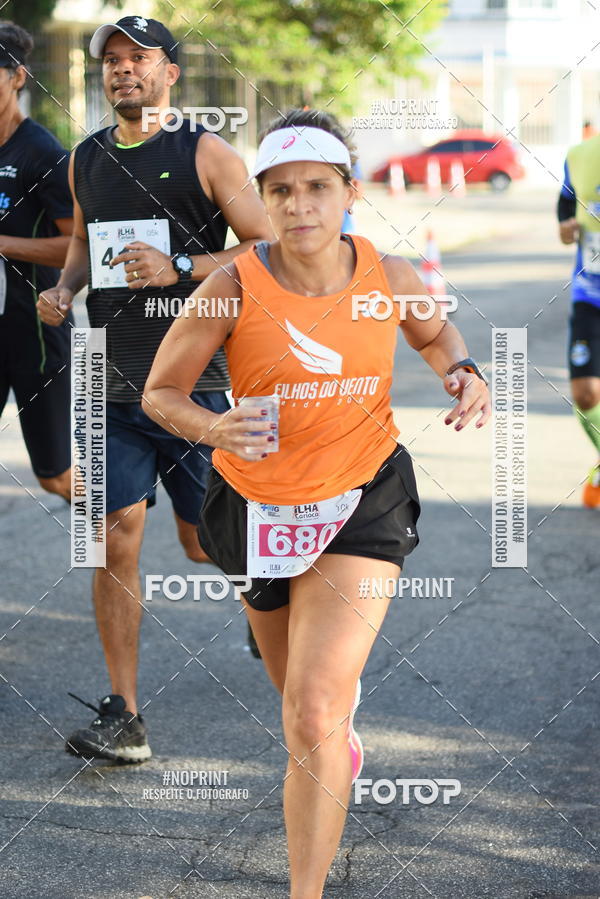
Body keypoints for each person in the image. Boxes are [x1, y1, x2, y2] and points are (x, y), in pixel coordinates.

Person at [144, 108, 491, 897]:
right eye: (282, 190)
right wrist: (217, 427)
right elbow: (161, 393)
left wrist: (464, 368)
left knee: (310, 714)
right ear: (264, 199)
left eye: (317, 188)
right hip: (254, 508)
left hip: (362, 498)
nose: (300, 205)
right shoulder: (230, 286)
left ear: (349, 194)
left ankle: (306, 889)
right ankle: (337, 737)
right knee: (302, 705)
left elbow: (435, 334)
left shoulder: (390, 276)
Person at [36, 16, 273, 762]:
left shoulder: (206, 152)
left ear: (170, 70)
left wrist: (182, 266)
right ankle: (124, 714)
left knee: (206, 544)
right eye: (111, 59)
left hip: (195, 385)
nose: (123, 70)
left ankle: (263, 589)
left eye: (139, 58)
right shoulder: (87, 157)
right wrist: (67, 285)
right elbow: (81, 238)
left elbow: (265, 248)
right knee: (113, 535)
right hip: (110, 383)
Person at [0, 21, 73, 500]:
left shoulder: (42, 152)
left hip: (35, 333)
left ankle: (116, 541)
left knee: (55, 475)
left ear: (18, 77)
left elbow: (77, 246)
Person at [558, 134, 600, 507]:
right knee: (586, 395)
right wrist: (565, 226)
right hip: (591, 296)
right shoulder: (581, 155)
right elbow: (565, 205)